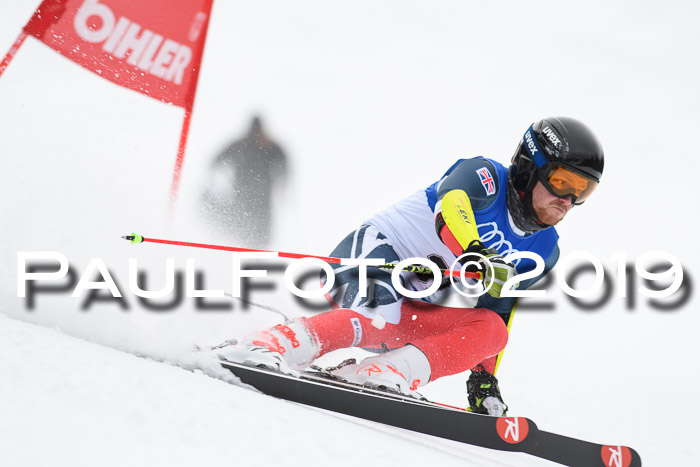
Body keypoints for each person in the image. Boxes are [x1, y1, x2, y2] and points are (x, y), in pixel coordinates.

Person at [218, 117, 604, 415]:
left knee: (491, 331)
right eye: (561, 181)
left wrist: (484, 378)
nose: (568, 199)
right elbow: (450, 208)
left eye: (583, 191)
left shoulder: (545, 248)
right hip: (364, 259)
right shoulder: (485, 175)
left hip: (412, 301)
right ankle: (266, 344)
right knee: (377, 315)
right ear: (528, 167)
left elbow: (499, 309)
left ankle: (383, 372)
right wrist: (474, 251)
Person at [201, 116, 287, 248]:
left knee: (258, 229)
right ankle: (246, 250)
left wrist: (283, 177)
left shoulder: (266, 146)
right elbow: (217, 159)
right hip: (245, 195)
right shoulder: (253, 144)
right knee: (245, 227)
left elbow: (283, 163)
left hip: (258, 196)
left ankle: (256, 252)